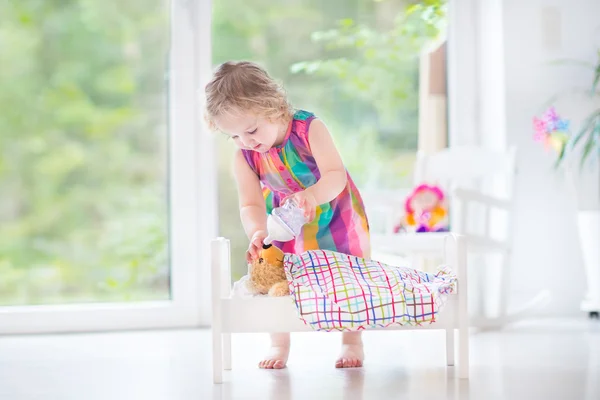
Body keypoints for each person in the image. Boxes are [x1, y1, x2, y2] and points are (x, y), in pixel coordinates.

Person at [204, 61, 371, 369]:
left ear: (274, 106)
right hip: (284, 221)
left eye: (251, 130)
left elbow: (336, 175)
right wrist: (256, 232)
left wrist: (312, 195)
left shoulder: (308, 129)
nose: (246, 142)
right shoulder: (245, 156)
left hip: (335, 213)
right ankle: (278, 342)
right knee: (275, 277)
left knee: (348, 274)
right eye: (234, 136)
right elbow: (250, 204)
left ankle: (351, 340)